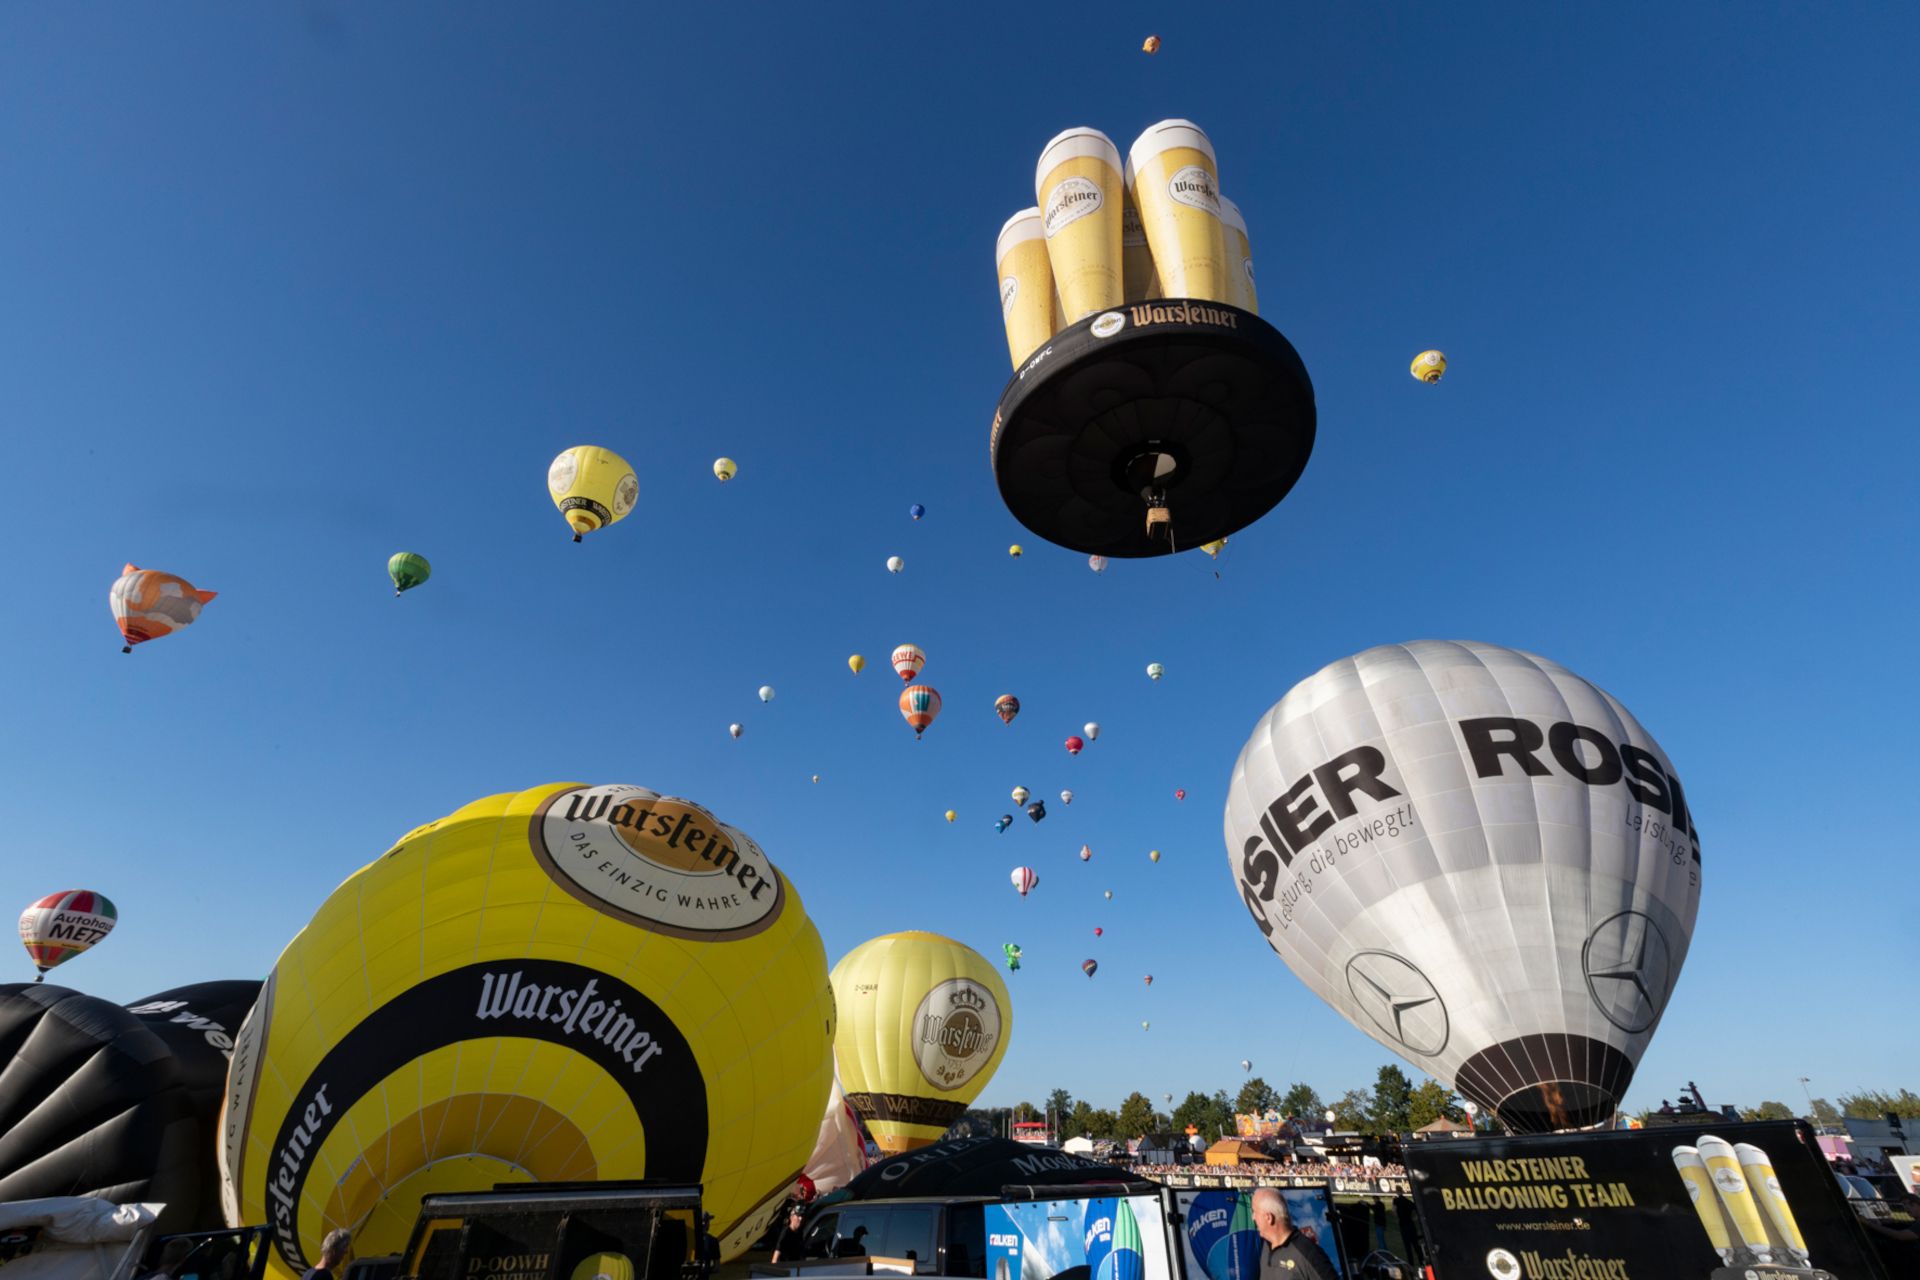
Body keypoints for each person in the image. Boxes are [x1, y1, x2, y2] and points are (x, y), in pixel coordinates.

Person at [1251, 1188, 1337, 1280]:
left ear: (1269, 1218)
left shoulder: (1309, 1253)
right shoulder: (1265, 1245)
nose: (1253, 1218)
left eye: (1255, 1212)